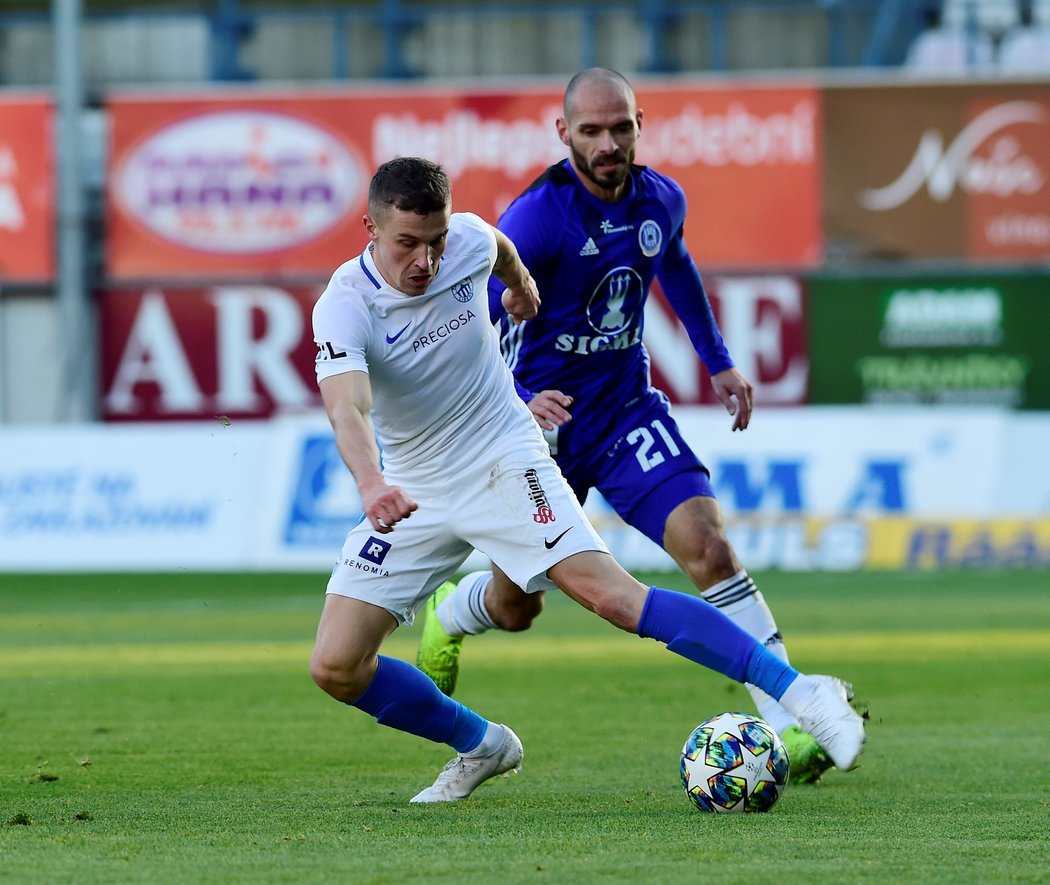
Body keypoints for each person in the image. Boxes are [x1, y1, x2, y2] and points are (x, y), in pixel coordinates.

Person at [310, 155, 865, 804]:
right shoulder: (345, 305)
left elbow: (496, 245)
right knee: (337, 666)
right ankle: (484, 744)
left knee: (613, 599)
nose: (426, 261)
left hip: (504, 460)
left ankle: (803, 692)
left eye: (434, 243)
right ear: (369, 229)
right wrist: (372, 484)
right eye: (407, 244)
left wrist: (518, 285)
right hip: (411, 488)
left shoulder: (464, 238)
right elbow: (348, 407)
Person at [414, 68, 839, 784]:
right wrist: (519, 393)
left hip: (624, 410)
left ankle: (791, 722)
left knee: (708, 547)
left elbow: (672, 261)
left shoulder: (661, 199)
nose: (608, 144)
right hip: (540, 434)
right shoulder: (538, 218)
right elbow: (468, 316)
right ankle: (454, 610)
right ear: (563, 134)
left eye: (621, 128)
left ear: (640, 123)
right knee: (517, 606)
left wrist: (719, 360)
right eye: (591, 131)